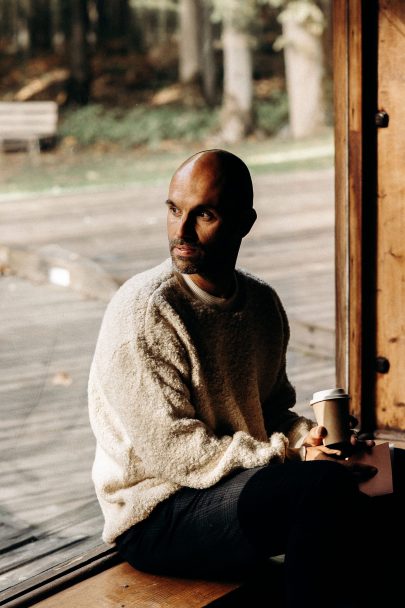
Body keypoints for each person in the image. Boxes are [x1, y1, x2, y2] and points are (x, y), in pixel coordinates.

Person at [88, 150, 385, 608]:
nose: (181, 231)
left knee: (390, 472)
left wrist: (313, 439)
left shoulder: (262, 304)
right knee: (322, 490)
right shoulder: (144, 310)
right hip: (157, 512)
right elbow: (175, 452)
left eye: (202, 214)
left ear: (244, 222)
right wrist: (293, 456)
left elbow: (271, 413)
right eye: (173, 210)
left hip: (237, 484)